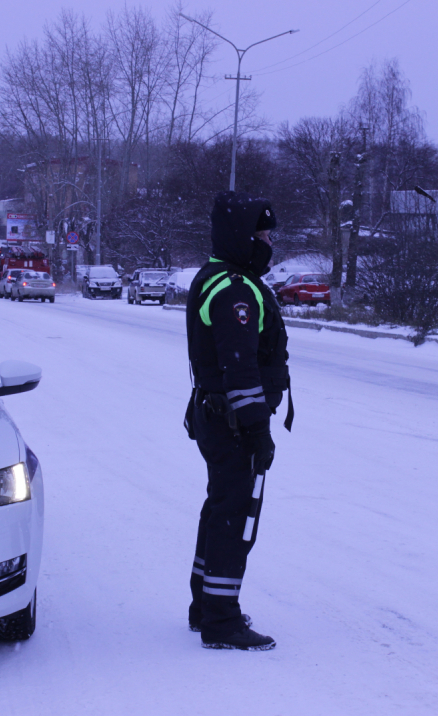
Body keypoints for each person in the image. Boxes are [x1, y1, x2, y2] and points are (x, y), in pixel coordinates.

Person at [184, 191, 292, 651]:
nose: (268, 242)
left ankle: (204, 607)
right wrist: (257, 431)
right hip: (233, 423)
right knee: (235, 517)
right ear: (241, 237)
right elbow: (240, 367)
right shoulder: (234, 289)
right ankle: (222, 622)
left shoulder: (219, 278)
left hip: (217, 417)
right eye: (262, 234)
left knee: (220, 509)